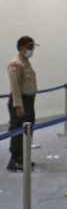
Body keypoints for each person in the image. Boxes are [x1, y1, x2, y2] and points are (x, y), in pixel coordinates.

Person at [6, 36, 38, 171]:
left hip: (29, 101)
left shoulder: (26, 62)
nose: (32, 50)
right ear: (21, 49)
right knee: (17, 130)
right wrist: (18, 105)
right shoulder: (16, 64)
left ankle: (23, 157)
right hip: (20, 101)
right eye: (30, 47)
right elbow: (15, 87)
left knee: (28, 129)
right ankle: (14, 159)